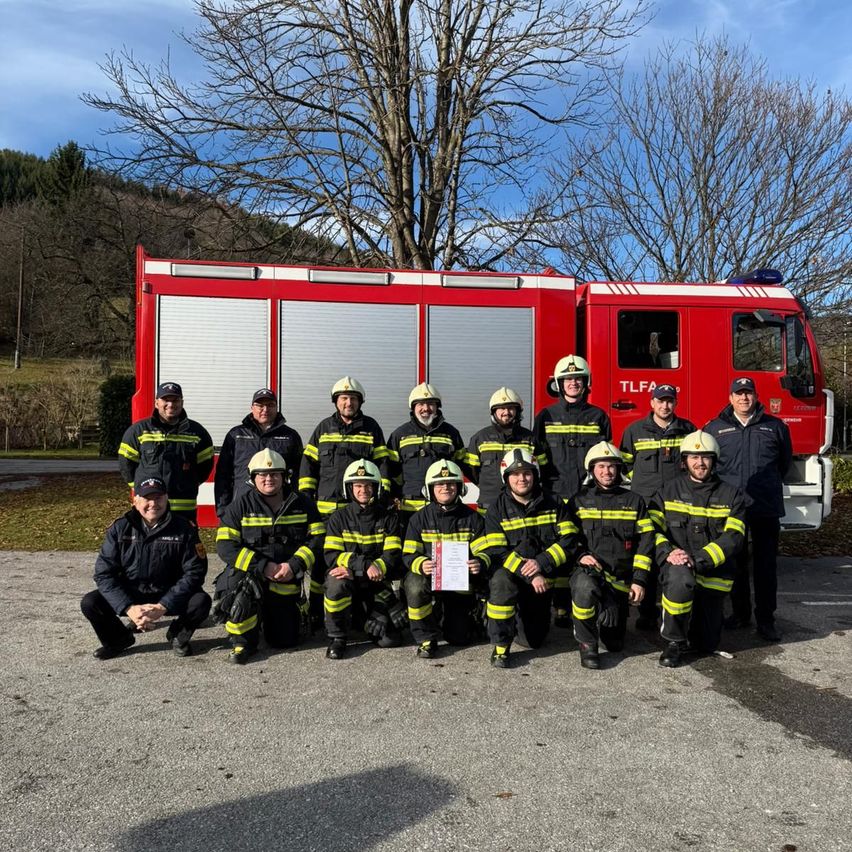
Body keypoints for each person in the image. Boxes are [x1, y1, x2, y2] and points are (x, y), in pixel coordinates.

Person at [81, 476, 210, 659]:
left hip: (168, 593)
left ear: (166, 499)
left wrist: (163, 606)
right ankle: (118, 640)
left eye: (158, 497)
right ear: (135, 500)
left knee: (201, 602)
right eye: (147, 498)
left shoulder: (184, 528)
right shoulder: (120, 528)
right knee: (90, 603)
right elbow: (103, 573)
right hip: (131, 593)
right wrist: (129, 608)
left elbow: (195, 571)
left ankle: (176, 635)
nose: (153, 503)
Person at [704, 377, 792, 641]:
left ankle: (766, 620)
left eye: (748, 394)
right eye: (739, 394)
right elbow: (709, 467)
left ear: (756, 397)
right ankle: (740, 615)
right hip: (731, 509)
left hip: (765, 507)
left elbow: (784, 464)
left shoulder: (775, 427)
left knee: (766, 567)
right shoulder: (715, 429)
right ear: (730, 398)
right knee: (735, 563)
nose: (744, 399)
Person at [217, 449, 325, 664]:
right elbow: (225, 545)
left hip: (286, 576)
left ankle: (270, 620)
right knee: (236, 589)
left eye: (275, 474)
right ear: (252, 478)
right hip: (252, 576)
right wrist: (263, 566)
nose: (269, 479)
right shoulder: (240, 505)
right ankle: (242, 642)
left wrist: (294, 565)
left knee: (285, 640)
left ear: (285, 476)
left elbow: (318, 538)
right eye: (262, 475)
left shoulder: (302, 503)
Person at [649, 431, 747, 667]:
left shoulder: (731, 495)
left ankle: (698, 631)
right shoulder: (667, 492)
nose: (699, 463)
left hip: (713, 571)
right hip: (677, 566)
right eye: (693, 457)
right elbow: (650, 530)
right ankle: (674, 642)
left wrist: (699, 559)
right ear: (684, 461)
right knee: (680, 582)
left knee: (707, 642)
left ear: (714, 461)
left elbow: (734, 537)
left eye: (705, 457)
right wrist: (668, 552)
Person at [298, 376, 388, 622]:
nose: (348, 402)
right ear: (336, 401)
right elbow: (308, 465)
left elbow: (383, 463)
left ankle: (356, 610)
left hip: (357, 511)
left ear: (360, 402)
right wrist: (306, 498)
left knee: (359, 556)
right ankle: (317, 612)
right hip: (325, 512)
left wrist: (383, 495)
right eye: (344, 398)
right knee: (321, 564)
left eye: (353, 398)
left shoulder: (371, 428)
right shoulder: (323, 428)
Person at [533, 355, 611, 626]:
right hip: (554, 494)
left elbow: (605, 459)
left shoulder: (599, 416)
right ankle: (558, 606)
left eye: (578, 378)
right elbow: (537, 460)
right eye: (568, 379)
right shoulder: (545, 417)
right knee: (557, 549)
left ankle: (583, 604)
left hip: (588, 495)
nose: (573, 383)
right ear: (558, 384)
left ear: (586, 383)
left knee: (587, 546)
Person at [482, 449, 578, 668]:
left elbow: (570, 540)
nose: (522, 479)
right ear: (506, 478)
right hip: (514, 575)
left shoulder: (554, 502)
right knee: (500, 582)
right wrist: (532, 572)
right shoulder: (496, 509)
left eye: (527, 473)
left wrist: (541, 563)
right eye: (515, 474)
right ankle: (500, 647)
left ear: (535, 475)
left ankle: (520, 616)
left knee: (533, 641)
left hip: (543, 578)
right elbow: (497, 551)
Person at [567, 442, 655, 669]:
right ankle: (587, 644)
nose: (607, 472)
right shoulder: (578, 501)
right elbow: (567, 537)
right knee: (585, 588)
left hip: (619, 580)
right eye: (601, 466)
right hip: (589, 572)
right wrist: (579, 555)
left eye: (612, 467)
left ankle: (609, 609)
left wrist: (639, 580)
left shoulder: (635, 501)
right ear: (592, 470)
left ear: (619, 469)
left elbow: (646, 542)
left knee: (615, 644)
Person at [619, 384, 696, 630]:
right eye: (660, 401)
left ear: (676, 403)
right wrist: (643, 486)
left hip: (679, 505)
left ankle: (676, 609)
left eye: (670, 401)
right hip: (646, 505)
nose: (665, 406)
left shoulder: (688, 431)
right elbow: (625, 465)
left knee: (678, 556)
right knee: (647, 556)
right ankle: (647, 612)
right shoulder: (634, 431)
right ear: (651, 403)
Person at [402, 460, 491, 658]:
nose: (446, 488)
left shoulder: (474, 518)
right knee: (414, 585)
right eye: (439, 484)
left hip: (460, 584)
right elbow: (408, 555)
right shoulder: (418, 519)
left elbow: (485, 551)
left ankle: (451, 615)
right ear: (430, 489)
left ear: (460, 488)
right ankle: (426, 637)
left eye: (451, 484)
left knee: (459, 638)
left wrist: (480, 562)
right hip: (429, 579)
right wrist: (421, 564)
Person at [322, 460, 405, 659]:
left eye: (368, 485)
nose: (363, 490)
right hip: (350, 580)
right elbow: (331, 555)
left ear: (376, 488)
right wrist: (365, 565)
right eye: (358, 485)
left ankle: (366, 617)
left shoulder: (389, 518)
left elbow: (392, 555)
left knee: (391, 641)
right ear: (349, 488)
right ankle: (337, 637)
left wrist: (376, 568)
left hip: (376, 585)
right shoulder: (338, 518)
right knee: (335, 583)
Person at [118, 381, 214, 523]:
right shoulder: (138, 431)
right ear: (157, 403)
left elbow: (205, 466)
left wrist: (188, 483)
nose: (171, 404)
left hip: (184, 508)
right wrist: (140, 488)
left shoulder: (197, 432)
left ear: (182, 402)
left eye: (175, 400)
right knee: (147, 544)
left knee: (185, 544)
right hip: (150, 507)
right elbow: (126, 464)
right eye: (165, 400)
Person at [214, 388, 303, 518]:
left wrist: (297, 504)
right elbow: (223, 475)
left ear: (277, 407)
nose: (265, 409)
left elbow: (298, 474)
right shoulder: (236, 435)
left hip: (280, 508)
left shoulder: (290, 436)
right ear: (252, 407)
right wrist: (223, 510)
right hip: (242, 506)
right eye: (260, 405)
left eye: (270, 405)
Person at [386, 382, 466, 524]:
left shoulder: (451, 433)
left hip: (444, 507)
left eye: (430, 404)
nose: (426, 408)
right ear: (413, 407)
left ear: (437, 407)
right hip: (410, 508)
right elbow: (391, 470)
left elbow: (460, 467)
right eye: (420, 404)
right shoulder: (399, 435)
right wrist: (396, 495)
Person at [465, 387, 548, 513]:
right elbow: (471, 471)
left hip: (522, 506)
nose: (506, 412)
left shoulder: (530, 438)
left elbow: (542, 469)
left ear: (517, 411)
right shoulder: (480, 439)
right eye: (501, 408)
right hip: (489, 506)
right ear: (494, 412)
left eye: (510, 408)